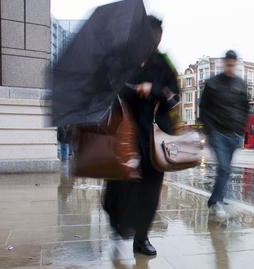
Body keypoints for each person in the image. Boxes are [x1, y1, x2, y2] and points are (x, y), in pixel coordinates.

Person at [103, 17, 179, 258]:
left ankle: (142, 237)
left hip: (153, 138)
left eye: (159, 35)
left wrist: (153, 89)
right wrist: (134, 88)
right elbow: (111, 88)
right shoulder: (123, 60)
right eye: (152, 34)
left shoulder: (164, 64)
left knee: (150, 188)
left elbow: (174, 97)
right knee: (120, 184)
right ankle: (116, 223)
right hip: (124, 133)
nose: (156, 39)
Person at [199, 50, 249, 219]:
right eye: (228, 64)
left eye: (233, 64)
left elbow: (245, 108)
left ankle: (216, 199)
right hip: (217, 134)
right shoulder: (212, 83)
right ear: (223, 63)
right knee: (224, 168)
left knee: (226, 171)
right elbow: (203, 108)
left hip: (234, 134)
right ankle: (217, 202)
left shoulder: (240, 84)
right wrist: (210, 131)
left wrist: (241, 131)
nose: (230, 67)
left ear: (235, 64)